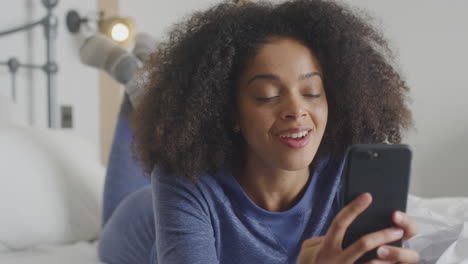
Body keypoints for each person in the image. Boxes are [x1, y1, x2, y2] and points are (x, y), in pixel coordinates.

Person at [98, 0, 420, 263]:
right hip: (134, 226)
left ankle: (138, 77)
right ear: (231, 112)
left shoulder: (346, 173)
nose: (296, 110)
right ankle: (134, 82)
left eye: (311, 92)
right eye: (267, 95)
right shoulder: (184, 179)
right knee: (153, 128)